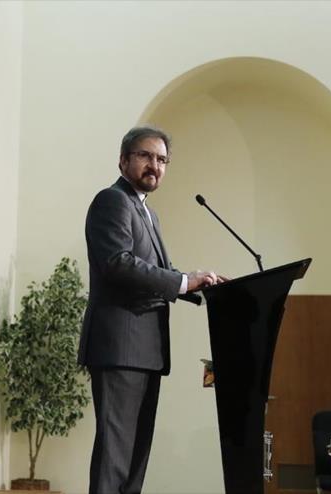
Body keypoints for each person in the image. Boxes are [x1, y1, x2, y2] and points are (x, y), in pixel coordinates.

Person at [78, 126, 225, 494]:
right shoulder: (111, 201)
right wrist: (183, 282)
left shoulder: (147, 213)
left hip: (145, 352)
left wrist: (199, 286)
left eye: (161, 160)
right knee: (115, 458)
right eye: (145, 156)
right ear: (124, 160)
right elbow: (118, 263)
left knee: (134, 462)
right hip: (121, 348)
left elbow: (155, 274)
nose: (154, 165)